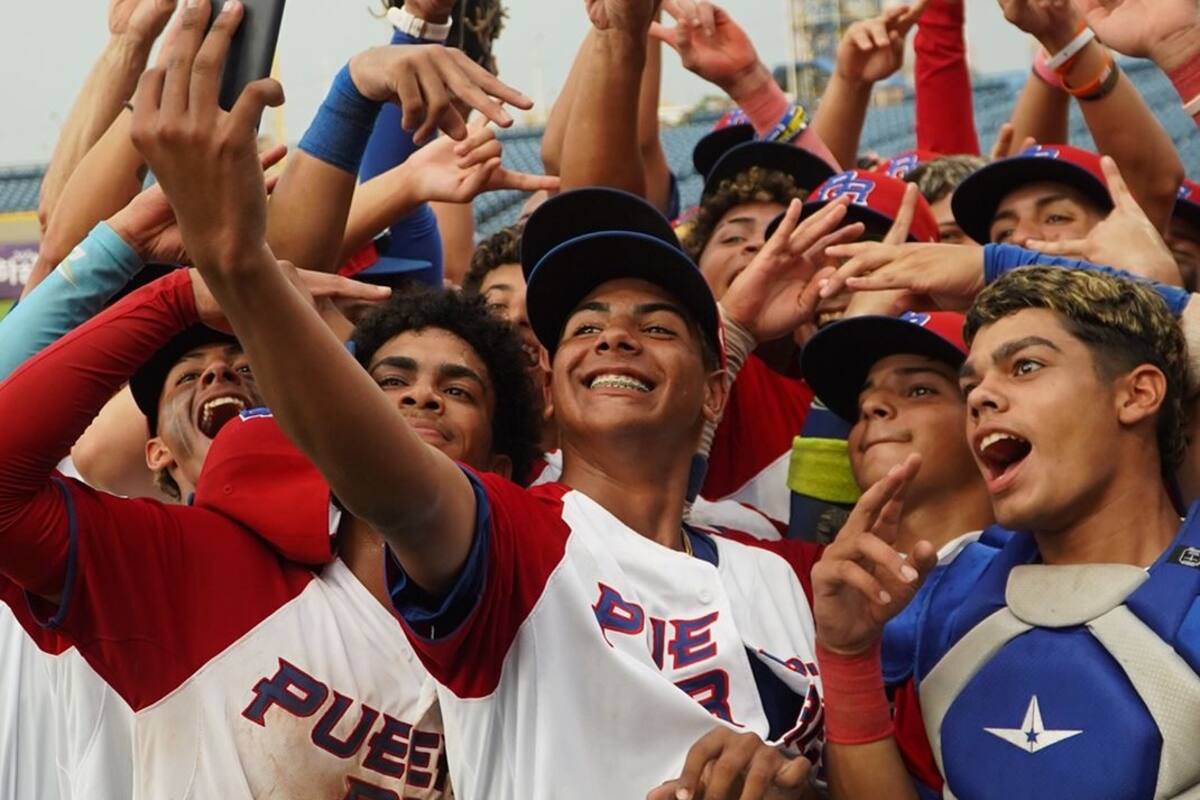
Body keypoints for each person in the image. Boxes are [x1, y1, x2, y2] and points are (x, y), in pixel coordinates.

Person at [129, 7, 896, 792]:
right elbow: (376, 462)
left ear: (715, 387)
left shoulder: (795, 576)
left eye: (656, 325)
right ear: (551, 398)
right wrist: (240, 267)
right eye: (584, 326)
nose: (615, 337)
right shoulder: (506, 538)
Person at [812, 265, 1199, 798]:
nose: (980, 398)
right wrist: (849, 659)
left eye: (1026, 366)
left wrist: (993, 259)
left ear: (1137, 394)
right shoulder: (936, 596)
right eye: (971, 384)